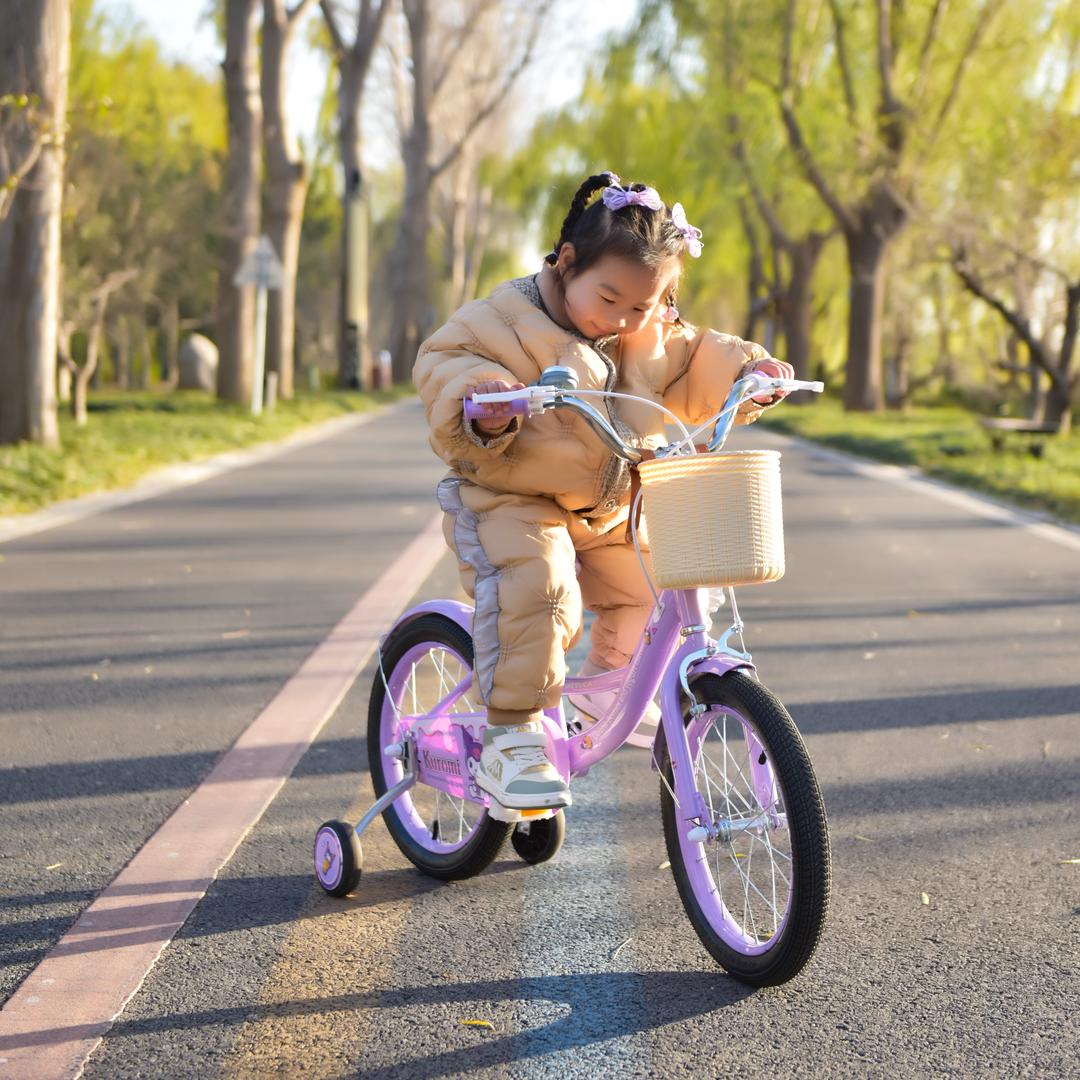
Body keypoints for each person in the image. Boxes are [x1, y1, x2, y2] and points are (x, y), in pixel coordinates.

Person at [413, 172, 793, 817]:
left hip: (610, 508)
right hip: (514, 498)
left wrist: (750, 371)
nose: (621, 319)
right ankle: (513, 734)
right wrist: (486, 401)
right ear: (566, 264)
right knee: (540, 588)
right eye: (609, 298)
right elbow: (444, 361)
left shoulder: (647, 334)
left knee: (654, 587)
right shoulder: (501, 320)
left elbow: (696, 353)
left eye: (641, 306)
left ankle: (597, 699)